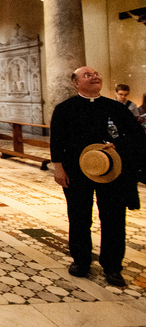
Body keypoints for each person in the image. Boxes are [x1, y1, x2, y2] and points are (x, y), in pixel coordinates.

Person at [51, 66, 146, 286]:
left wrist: (118, 145)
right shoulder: (65, 109)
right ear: (75, 83)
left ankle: (112, 267)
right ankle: (81, 261)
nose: (94, 77)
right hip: (76, 172)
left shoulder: (116, 108)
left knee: (113, 219)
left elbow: (136, 137)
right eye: (87, 75)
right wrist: (58, 168)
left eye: (96, 74)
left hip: (113, 173)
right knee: (79, 217)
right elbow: (57, 140)